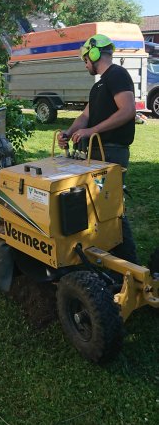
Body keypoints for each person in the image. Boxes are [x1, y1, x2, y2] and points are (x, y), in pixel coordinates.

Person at [57, 34, 138, 263]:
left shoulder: (117, 75)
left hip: (111, 153)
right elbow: (85, 116)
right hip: (95, 153)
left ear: (93, 54)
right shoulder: (100, 84)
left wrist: (94, 131)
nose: (85, 64)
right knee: (92, 206)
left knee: (111, 209)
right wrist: (68, 133)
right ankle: (101, 252)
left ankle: (130, 263)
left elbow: (127, 110)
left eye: (85, 59)